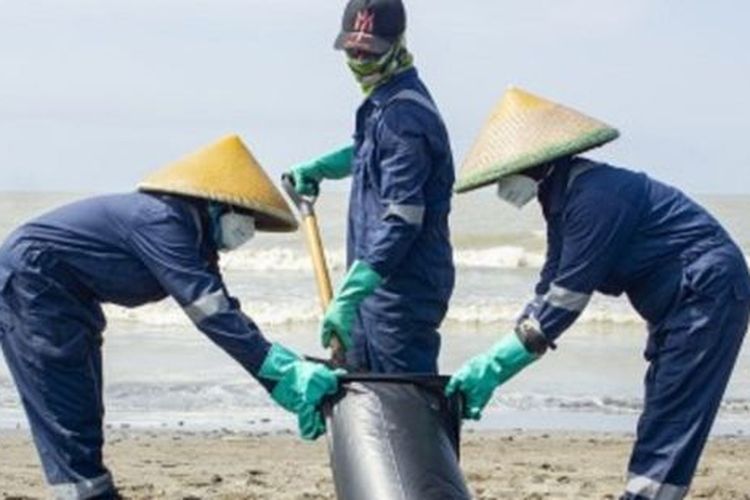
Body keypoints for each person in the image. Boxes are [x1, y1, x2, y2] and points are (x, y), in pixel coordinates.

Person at [446, 87, 750, 499]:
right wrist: (510, 341)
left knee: (675, 414)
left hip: (706, 292)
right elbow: (550, 284)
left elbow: (569, 297)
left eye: (505, 175)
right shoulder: (563, 200)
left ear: (535, 165)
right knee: (663, 408)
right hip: (678, 302)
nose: (502, 186)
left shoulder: (595, 198)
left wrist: (497, 366)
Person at [0, 135, 341, 499]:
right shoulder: (163, 222)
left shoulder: (195, 241)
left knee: (82, 407)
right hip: (34, 286)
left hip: (69, 298)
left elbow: (227, 313)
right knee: (65, 412)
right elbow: (210, 314)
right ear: (217, 203)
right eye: (245, 219)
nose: (247, 232)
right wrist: (280, 373)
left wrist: (280, 378)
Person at [287, 0, 455, 373]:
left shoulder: (405, 114)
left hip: (402, 291)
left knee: (404, 400)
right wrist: (324, 168)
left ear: (397, 43)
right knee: (363, 385)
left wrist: (349, 295)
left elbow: (402, 219)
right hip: (374, 285)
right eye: (353, 49)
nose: (360, 58)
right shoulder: (384, 101)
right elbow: (374, 148)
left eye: (370, 50)